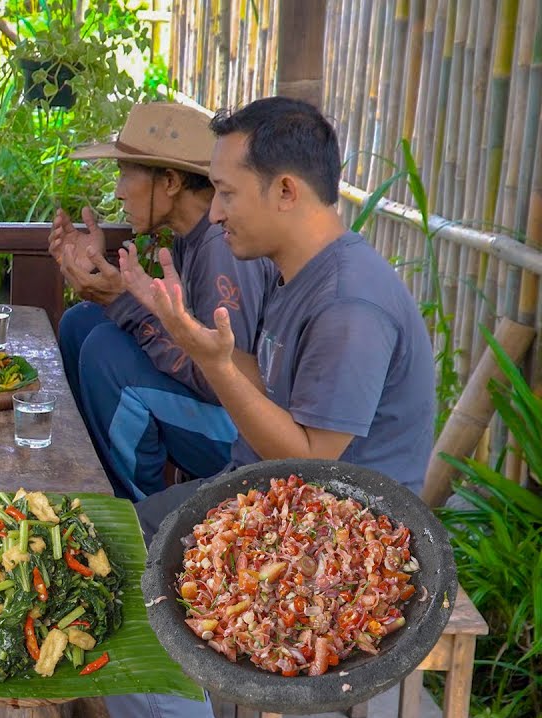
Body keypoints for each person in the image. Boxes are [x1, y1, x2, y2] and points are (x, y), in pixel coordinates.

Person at [126, 96, 436, 538]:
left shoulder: (348, 304)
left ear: (286, 191)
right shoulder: (296, 272)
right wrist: (185, 330)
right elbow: (271, 385)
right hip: (270, 501)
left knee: (121, 551)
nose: (214, 214)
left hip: (333, 541)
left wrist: (212, 362)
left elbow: (310, 463)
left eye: (227, 193)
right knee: (115, 532)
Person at [53, 102, 277, 500]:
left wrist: (123, 303)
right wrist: (98, 272)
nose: (118, 191)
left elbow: (221, 381)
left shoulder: (220, 247)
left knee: (106, 352)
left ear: (170, 181)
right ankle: (95, 479)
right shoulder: (191, 234)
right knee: (81, 321)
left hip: (249, 439)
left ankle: (141, 514)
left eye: (124, 174)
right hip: (216, 415)